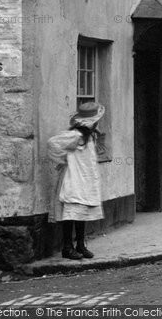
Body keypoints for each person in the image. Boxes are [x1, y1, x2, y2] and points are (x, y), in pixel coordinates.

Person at [47, 101, 105, 260]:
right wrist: (63, 159)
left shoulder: (89, 137)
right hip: (74, 178)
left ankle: (80, 244)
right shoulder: (76, 135)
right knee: (71, 213)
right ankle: (67, 247)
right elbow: (53, 143)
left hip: (84, 179)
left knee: (82, 213)